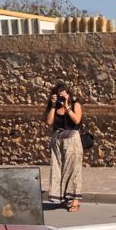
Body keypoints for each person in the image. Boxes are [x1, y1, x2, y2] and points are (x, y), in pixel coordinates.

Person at [44, 82, 84, 212]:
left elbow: (77, 120)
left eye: (63, 94)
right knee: (57, 169)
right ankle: (63, 197)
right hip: (57, 140)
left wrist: (67, 107)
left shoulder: (75, 104)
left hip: (72, 140)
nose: (61, 97)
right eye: (59, 95)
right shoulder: (54, 106)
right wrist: (53, 105)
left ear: (68, 94)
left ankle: (75, 200)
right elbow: (49, 122)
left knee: (74, 169)